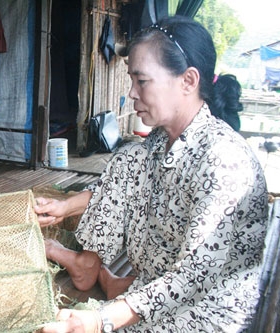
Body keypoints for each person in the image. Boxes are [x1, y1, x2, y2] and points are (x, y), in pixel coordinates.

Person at [34, 16, 268, 332]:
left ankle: (118, 287)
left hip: (203, 309)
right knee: (129, 158)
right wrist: (64, 208)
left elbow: (195, 275)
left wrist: (101, 320)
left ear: (188, 81)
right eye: (131, 81)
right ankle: (97, 271)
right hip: (156, 282)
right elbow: (114, 187)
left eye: (142, 81)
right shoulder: (157, 142)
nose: (132, 93)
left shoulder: (224, 161)